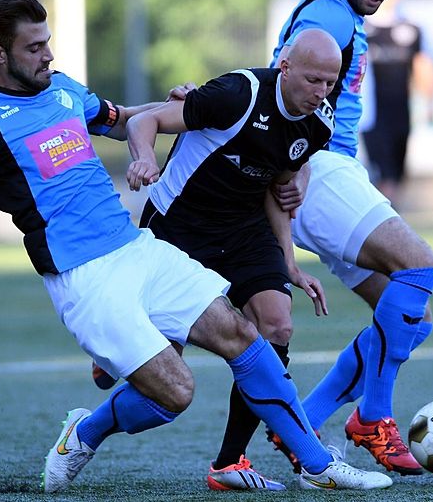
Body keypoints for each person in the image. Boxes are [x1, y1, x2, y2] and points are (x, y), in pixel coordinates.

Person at [0, 0, 393, 493]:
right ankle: (85, 431)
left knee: (243, 334)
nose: (48, 54)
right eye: (35, 48)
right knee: (176, 393)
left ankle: (318, 465)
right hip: (82, 279)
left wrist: (183, 106)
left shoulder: (63, 90)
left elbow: (123, 118)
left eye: (48, 42)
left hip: (135, 249)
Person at [123, 28, 341, 491]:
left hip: (243, 231)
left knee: (277, 323)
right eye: (312, 80)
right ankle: (87, 425)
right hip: (177, 227)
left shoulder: (320, 122)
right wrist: (144, 159)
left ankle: (230, 463)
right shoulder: (236, 93)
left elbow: (277, 189)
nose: (321, 92)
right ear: (284, 66)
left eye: (330, 82)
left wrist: (290, 263)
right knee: (157, 378)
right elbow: (143, 123)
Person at [265, 0, 433, 477]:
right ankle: (375, 417)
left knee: (412, 320)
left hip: (331, 172)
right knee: (420, 266)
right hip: (318, 172)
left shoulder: (339, 9)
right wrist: (290, 164)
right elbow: (282, 91)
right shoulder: (329, 18)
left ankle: (302, 421)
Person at [361, 0, 433, 205]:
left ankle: (389, 225)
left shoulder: (411, 29)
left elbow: (424, 70)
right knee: (384, 176)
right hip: (370, 115)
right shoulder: (360, 28)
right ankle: (384, 230)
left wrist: (430, 105)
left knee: (396, 175)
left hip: (401, 113)